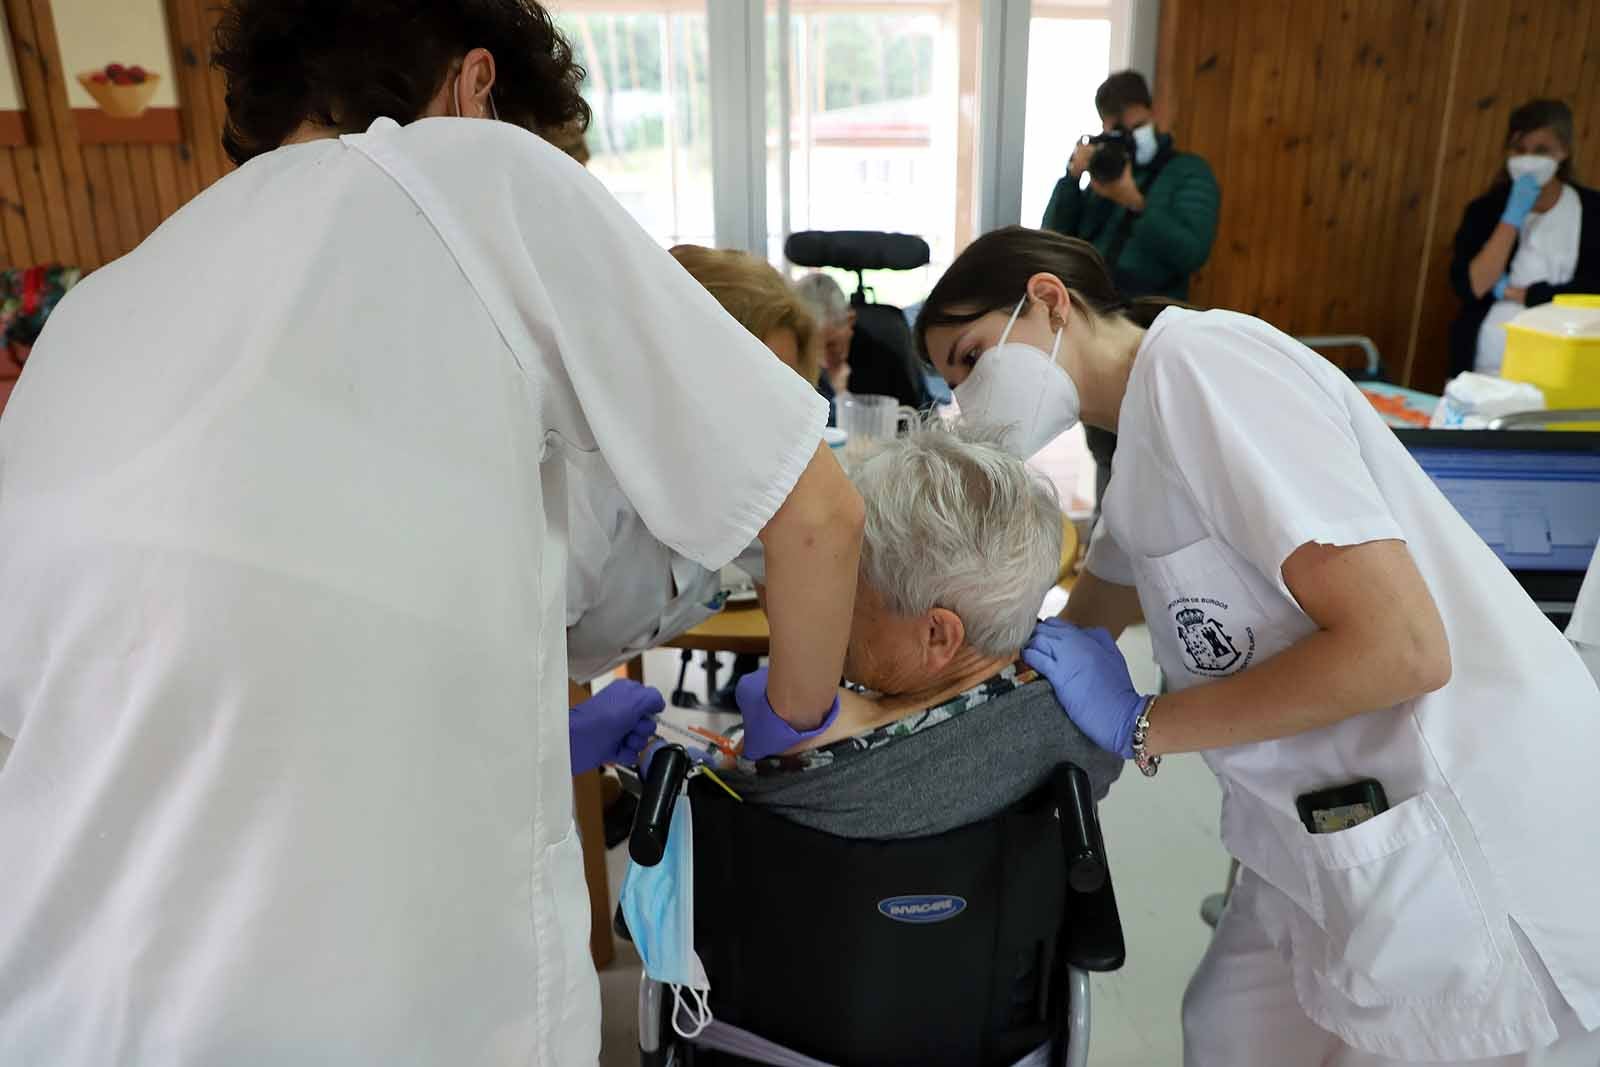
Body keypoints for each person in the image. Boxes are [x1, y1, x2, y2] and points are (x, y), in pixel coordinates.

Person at [0, 2, 866, 1064]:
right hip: (383, 997)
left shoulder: (101, 306)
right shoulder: (480, 173)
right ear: (475, 87)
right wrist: (793, 736)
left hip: (64, 985)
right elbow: (820, 513)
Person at [916, 225, 1600, 1066]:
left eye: (972, 355)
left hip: (1459, 820)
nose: (968, 399)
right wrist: (922, 697)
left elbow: (1404, 648)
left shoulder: (1205, 369)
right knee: (1228, 1032)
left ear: (1048, 300)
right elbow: (1077, 627)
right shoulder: (1137, 454)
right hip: (1316, 838)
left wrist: (1146, 722)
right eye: (950, 380)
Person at [726, 422, 1121, 838]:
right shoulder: (1086, 724)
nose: (833, 606)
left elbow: (740, 787)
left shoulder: (822, 772)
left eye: (849, 593)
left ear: (937, 635)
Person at [566, 245, 823, 682]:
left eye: (780, 401)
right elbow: (525, 665)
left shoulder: (744, 475)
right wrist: (571, 733)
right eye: (749, 393)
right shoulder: (579, 483)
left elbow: (794, 578)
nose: (764, 426)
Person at [1042, 70, 1219, 513]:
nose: (1125, 137)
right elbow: (1054, 241)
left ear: (1155, 114)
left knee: (1151, 452)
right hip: (1098, 325)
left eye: (1132, 126)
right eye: (1114, 130)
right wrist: (1073, 178)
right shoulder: (1105, 169)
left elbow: (1191, 251)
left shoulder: (1187, 172)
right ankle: (1105, 544)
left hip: (1154, 327)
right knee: (1105, 447)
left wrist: (1136, 200)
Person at [1449, 99, 1600, 377]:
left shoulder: (1592, 211)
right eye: (1520, 149)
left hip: (1564, 361)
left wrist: (1525, 293)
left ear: (1563, 151)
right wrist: (1511, 218)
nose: (1529, 159)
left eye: (1541, 150)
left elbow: (1593, 288)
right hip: (1486, 359)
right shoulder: (1484, 210)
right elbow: (1473, 285)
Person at [795, 272, 854, 413]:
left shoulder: (881, 359)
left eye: (830, 345)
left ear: (850, 321)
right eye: (812, 348)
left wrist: (841, 395)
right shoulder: (792, 356)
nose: (823, 362)